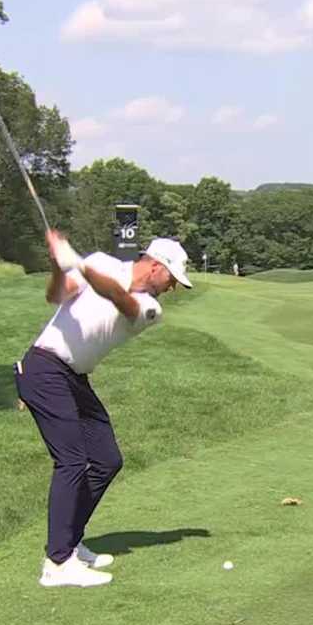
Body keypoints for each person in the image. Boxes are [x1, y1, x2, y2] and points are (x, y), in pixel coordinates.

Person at [16, 229, 191, 587]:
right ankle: (57, 563)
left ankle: (70, 542)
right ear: (156, 266)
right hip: (44, 368)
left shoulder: (150, 308)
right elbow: (56, 296)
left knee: (107, 460)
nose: (173, 287)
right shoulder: (100, 262)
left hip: (74, 377)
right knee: (71, 461)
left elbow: (116, 296)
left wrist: (77, 263)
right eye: (172, 278)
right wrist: (59, 266)